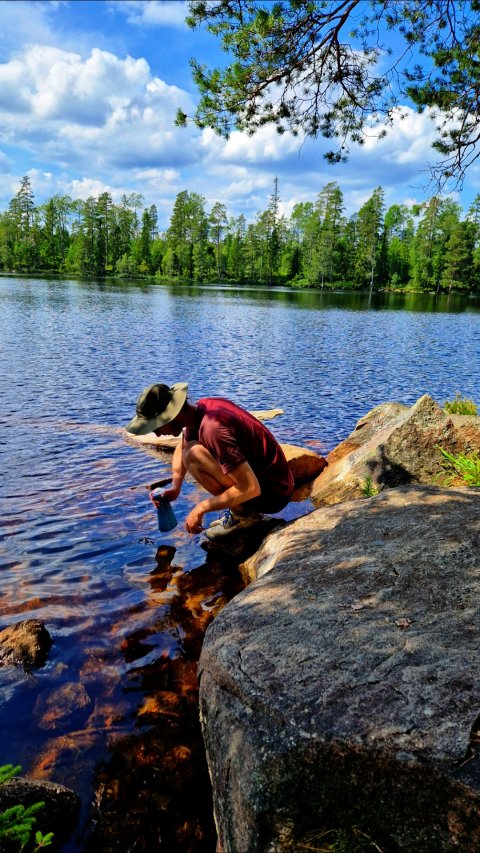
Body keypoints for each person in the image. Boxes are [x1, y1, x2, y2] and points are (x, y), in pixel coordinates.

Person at [125, 382, 294, 539]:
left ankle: (244, 516)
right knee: (189, 450)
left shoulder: (213, 429)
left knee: (193, 455)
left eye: (155, 427)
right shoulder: (201, 409)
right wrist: (176, 487)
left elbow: (250, 487)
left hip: (273, 494)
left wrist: (202, 507)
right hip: (277, 482)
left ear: (170, 416)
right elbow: (182, 447)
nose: (157, 435)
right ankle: (242, 512)